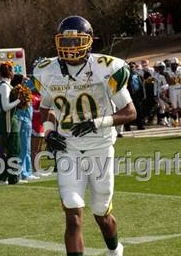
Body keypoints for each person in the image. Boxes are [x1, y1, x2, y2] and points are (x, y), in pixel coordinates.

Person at [33, 16, 136, 256]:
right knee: (73, 215)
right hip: (68, 149)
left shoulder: (106, 67)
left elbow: (130, 112)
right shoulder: (47, 71)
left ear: (88, 41)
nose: (70, 47)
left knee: (101, 213)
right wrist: (49, 132)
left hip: (100, 147)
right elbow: (45, 107)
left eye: (75, 41)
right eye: (65, 42)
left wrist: (97, 122)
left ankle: (114, 249)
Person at [0, 62, 22, 184]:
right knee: (11, 149)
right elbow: (5, 107)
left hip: (11, 121)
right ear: (10, 72)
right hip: (7, 122)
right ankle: (10, 176)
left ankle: (8, 175)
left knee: (13, 149)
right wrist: (19, 101)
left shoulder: (8, 86)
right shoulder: (4, 86)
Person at [165, 57, 181, 127]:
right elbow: (169, 82)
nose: (174, 66)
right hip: (172, 90)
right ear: (170, 64)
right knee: (174, 107)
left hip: (179, 89)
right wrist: (174, 80)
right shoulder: (167, 71)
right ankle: (175, 120)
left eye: (176, 64)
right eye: (173, 64)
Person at [125, 62, 145, 130]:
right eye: (131, 67)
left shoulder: (138, 75)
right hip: (130, 95)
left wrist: (143, 94)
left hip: (138, 94)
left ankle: (140, 125)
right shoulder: (126, 76)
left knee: (139, 111)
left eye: (133, 67)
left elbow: (142, 86)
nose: (132, 68)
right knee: (128, 110)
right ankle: (127, 126)